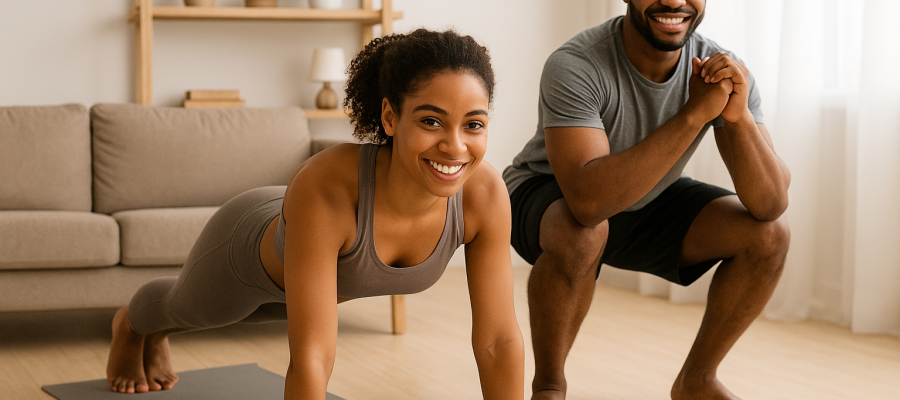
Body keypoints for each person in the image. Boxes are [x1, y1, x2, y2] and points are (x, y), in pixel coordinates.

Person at [106, 28, 524, 399]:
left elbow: (498, 341)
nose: (455, 147)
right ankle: (132, 326)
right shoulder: (327, 185)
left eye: (473, 125)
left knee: (269, 315)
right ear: (390, 118)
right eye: (432, 121)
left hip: (308, 271)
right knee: (190, 310)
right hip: (248, 247)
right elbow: (312, 355)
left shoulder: (483, 195)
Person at [502, 1, 790, 399]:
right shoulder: (577, 63)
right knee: (583, 232)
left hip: (645, 195)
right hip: (549, 193)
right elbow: (587, 203)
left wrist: (737, 119)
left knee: (769, 235)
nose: (673, 2)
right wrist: (693, 114)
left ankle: (697, 381)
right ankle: (549, 386)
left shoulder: (722, 68)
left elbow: (771, 203)